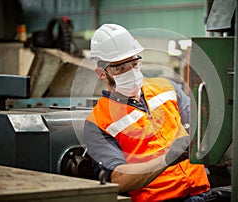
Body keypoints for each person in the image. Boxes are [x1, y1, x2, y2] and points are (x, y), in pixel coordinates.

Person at [84, 23, 210, 202]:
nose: (131, 72)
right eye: (120, 68)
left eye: (134, 64)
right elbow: (118, 180)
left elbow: (201, 126)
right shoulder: (97, 122)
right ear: (101, 73)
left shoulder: (167, 87)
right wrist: (167, 159)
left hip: (201, 192)